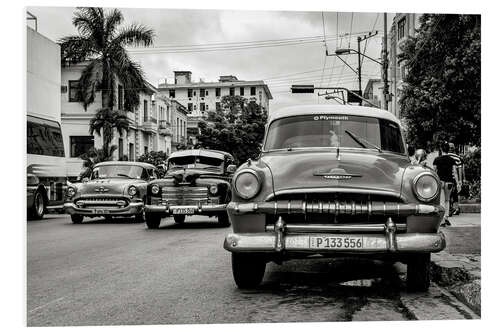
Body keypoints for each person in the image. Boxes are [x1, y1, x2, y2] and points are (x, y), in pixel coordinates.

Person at [433, 142, 460, 227]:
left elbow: (434, 172)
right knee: (447, 200)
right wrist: (458, 183)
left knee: (441, 201)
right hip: (449, 182)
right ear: (448, 149)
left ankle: (442, 220)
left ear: (441, 149)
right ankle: (446, 218)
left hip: (440, 182)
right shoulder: (452, 160)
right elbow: (454, 172)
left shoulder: (436, 159)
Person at [447, 142, 464, 215]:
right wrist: (460, 180)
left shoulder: (444, 156)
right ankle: (456, 209)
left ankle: (450, 208)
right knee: (455, 194)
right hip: (454, 178)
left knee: (448, 194)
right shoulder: (458, 157)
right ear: (454, 148)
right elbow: (460, 170)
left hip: (446, 178)